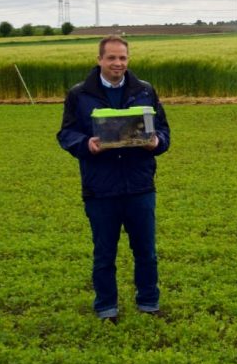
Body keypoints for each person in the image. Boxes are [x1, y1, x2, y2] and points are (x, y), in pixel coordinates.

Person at [57, 36, 171, 323]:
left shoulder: (145, 91)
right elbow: (66, 134)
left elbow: (164, 131)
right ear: (99, 60)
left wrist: (156, 142)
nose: (118, 63)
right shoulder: (79, 94)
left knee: (146, 251)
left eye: (123, 58)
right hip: (100, 187)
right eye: (111, 58)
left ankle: (148, 303)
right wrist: (87, 144)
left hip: (139, 185)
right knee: (104, 254)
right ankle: (106, 308)